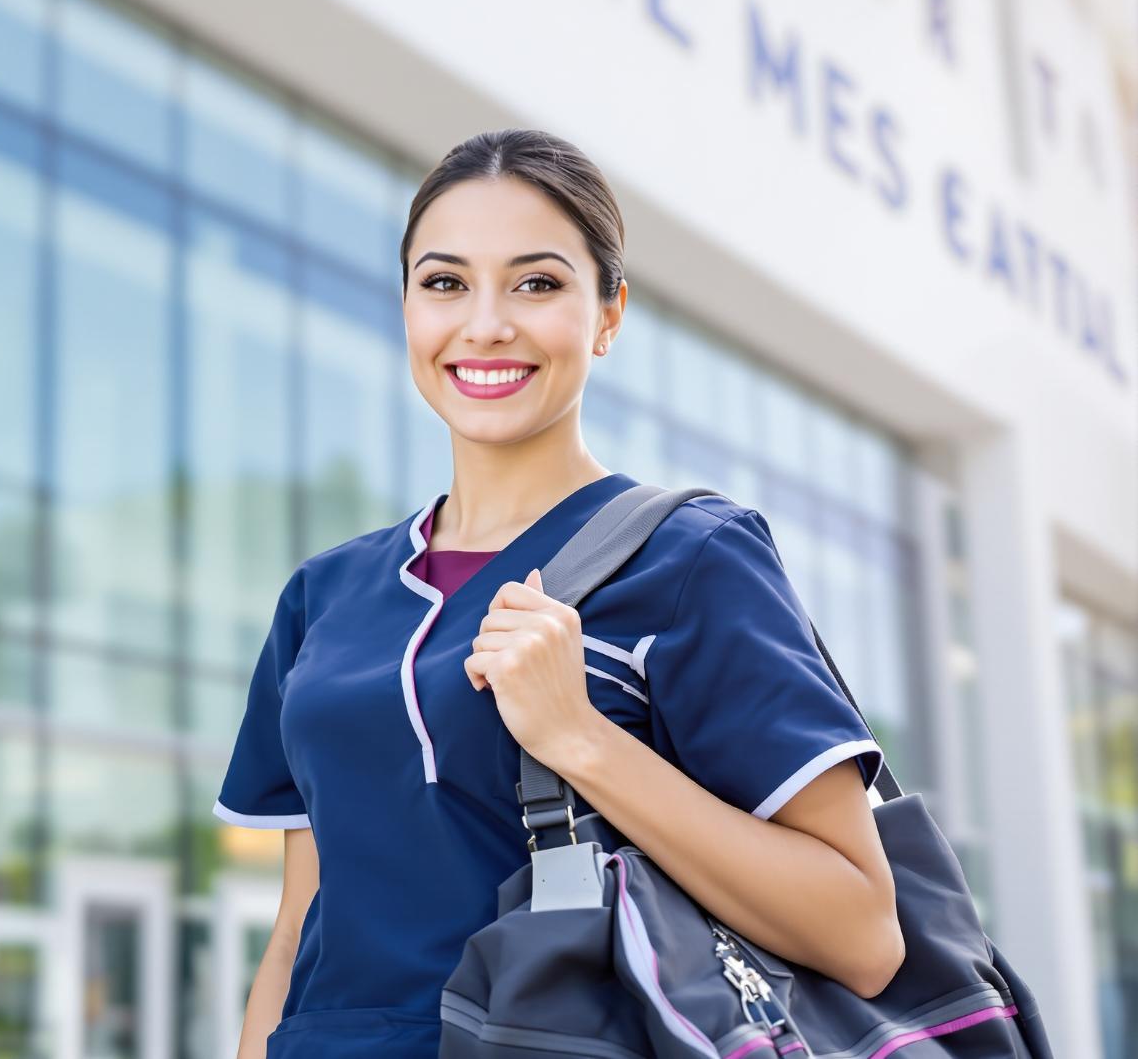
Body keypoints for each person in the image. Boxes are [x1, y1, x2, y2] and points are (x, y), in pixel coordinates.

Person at [216, 128, 904, 1059]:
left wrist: (578, 738)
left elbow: (861, 933)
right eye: (444, 283)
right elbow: (299, 926)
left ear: (608, 313)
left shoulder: (691, 560)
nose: (485, 324)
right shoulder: (322, 598)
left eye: (536, 283)